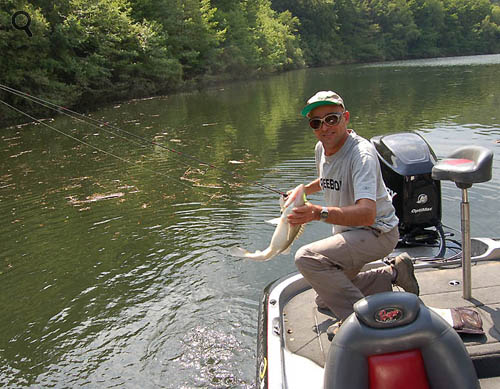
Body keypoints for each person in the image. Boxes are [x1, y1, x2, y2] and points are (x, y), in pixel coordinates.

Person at [287, 91, 419, 337]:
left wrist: (317, 212)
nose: (324, 127)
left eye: (331, 119)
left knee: (306, 258)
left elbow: (367, 214)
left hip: (376, 232)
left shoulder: (362, 154)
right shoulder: (321, 147)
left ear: (345, 118)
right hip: (349, 234)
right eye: (316, 122)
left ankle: (359, 321)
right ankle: (393, 273)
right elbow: (327, 179)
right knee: (325, 299)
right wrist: (302, 190)